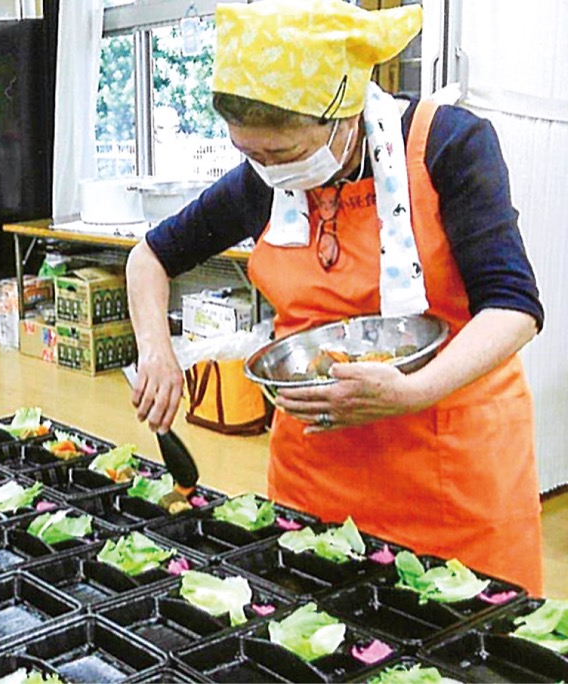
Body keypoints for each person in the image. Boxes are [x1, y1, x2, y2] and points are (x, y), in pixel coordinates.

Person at [126, 0, 544, 593]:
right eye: (252, 154)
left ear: (344, 115)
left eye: (285, 153)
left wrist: (413, 391)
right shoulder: (266, 181)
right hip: (318, 471)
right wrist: (156, 352)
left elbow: (514, 307)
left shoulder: (449, 144)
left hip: (451, 470)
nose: (269, 170)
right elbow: (150, 258)